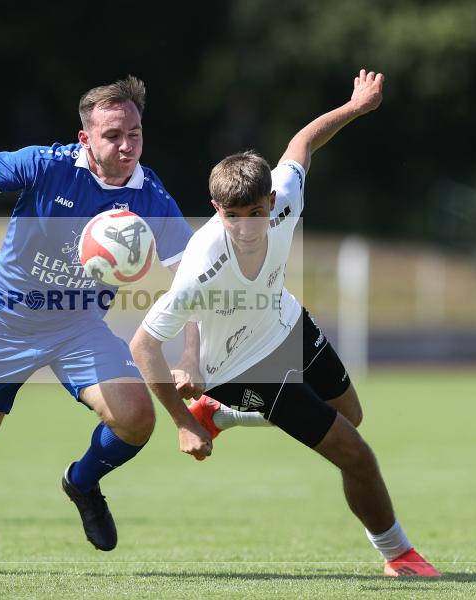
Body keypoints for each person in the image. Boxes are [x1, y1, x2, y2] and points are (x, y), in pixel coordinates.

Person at [0, 76, 208, 575]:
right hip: (0, 325)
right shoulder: (46, 165)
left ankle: (83, 481)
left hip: (77, 327)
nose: (126, 145)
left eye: (134, 133)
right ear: (85, 139)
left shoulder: (151, 197)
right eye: (113, 135)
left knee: (137, 419)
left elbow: (191, 280)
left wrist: (189, 354)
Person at [130, 70, 440, 577]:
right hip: (243, 368)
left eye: (255, 212)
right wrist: (182, 423)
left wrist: (357, 106)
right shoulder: (200, 265)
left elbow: (302, 141)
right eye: (233, 216)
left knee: (351, 416)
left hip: (288, 325)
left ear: (271, 202)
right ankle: (398, 555)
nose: (247, 226)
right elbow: (143, 346)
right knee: (355, 453)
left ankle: (220, 416)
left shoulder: (284, 195)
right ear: (216, 210)